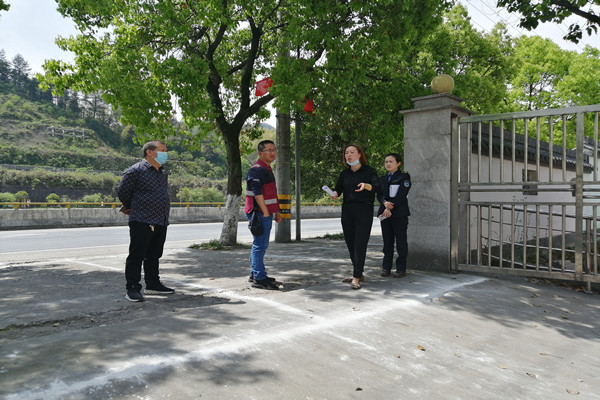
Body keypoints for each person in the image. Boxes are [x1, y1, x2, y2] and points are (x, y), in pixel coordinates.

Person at [117, 140, 174, 302]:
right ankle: (132, 288)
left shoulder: (162, 173)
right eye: (162, 150)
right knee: (137, 255)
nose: (165, 154)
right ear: (150, 152)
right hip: (142, 219)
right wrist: (132, 206)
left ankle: (153, 283)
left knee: (154, 255)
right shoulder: (136, 170)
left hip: (160, 219)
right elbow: (123, 192)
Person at [329, 144, 380, 290]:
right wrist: (333, 193)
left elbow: (377, 187)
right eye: (346, 153)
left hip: (364, 209)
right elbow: (338, 190)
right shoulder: (344, 173)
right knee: (350, 242)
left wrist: (367, 186)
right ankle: (358, 272)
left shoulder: (369, 171)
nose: (348, 155)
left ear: (359, 154)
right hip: (347, 210)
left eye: (352, 152)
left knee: (360, 243)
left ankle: (357, 276)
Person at [245, 140, 282, 290]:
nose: (272, 153)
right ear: (260, 153)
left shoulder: (267, 168)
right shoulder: (257, 170)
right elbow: (257, 193)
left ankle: (255, 273)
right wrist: (266, 212)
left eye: (274, 150)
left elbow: (272, 193)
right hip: (258, 213)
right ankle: (259, 278)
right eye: (268, 150)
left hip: (266, 212)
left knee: (259, 244)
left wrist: (277, 212)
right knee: (260, 245)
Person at [377, 153, 411, 278]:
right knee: (387, 242)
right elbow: (379, 194)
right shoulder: (382, 179)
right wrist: (384, 203)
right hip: (385, 214)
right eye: (386, 162)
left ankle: (401, 269)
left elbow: (402, 194)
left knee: (401, 242)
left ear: (398, 163)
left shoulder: (404, 176)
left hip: (399, 213)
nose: (388, 164)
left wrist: (390, 206)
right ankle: (386, 267)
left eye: (391, 161)